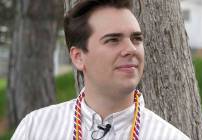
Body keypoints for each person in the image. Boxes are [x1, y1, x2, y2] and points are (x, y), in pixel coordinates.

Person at [12, 0, 191, 139]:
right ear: (78, 57)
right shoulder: (36, 129)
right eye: (113, 40)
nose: (131, 49)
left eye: (136, 39)